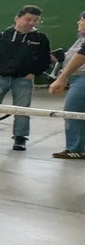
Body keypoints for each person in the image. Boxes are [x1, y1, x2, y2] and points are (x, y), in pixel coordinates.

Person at [0, 6, 53, 151]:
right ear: (17, 18)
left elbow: (45, 60)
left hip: (24, 80)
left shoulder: (41, 39)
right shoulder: (0, 37)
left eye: (35, 20)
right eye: (28, 19)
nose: (31, 23)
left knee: (22, 109)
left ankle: (20, 138)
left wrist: (34, 73)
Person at [49, 11, 85, 158]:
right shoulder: (81, 39)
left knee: (73, 112)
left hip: (82, 79)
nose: (79, 22)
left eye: (81, 20)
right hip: (77, 78)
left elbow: (81, 56)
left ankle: (76, 148)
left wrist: (62, 78)